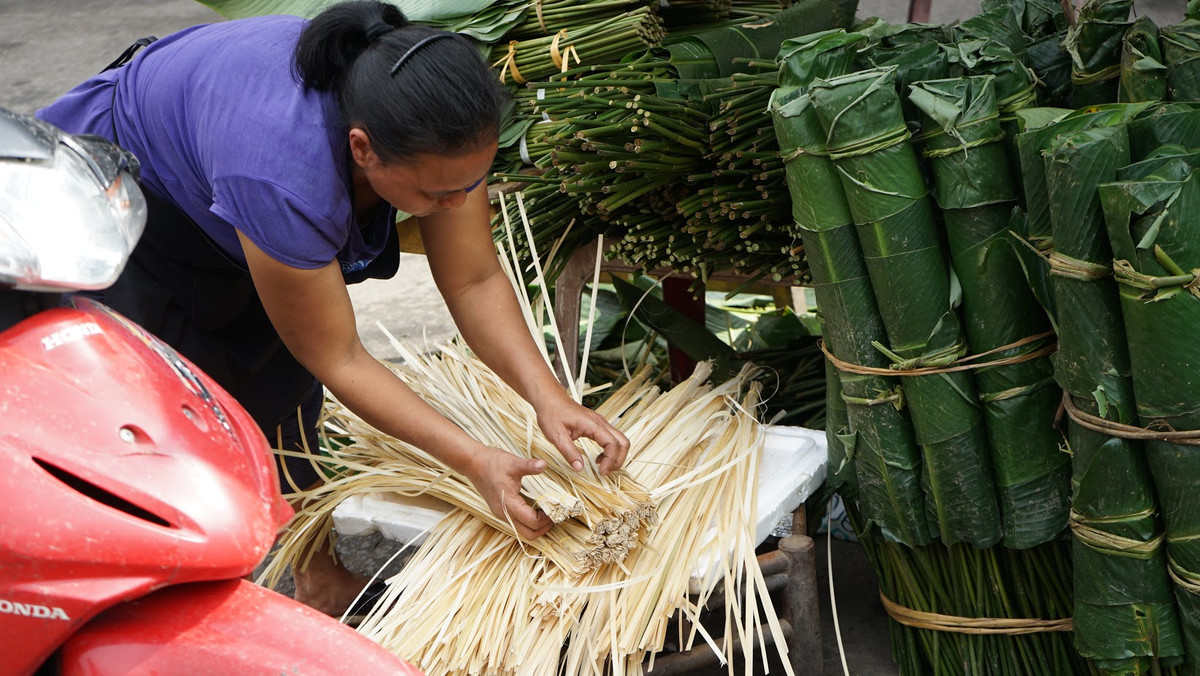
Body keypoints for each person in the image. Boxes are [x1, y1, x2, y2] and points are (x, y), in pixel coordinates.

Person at [38, 0, 629, 617]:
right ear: (363, 150)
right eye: (435, 192)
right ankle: (132, 608)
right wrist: (473, 460)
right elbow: (337, 355)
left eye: (469, 184)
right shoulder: (281, 171)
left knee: (282, 401)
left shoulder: (441, 125)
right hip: (115, 201)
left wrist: (549, 397)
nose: (455, 204)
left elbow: (476, 279)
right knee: (145, 418)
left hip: (229, 185)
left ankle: (317, 571)